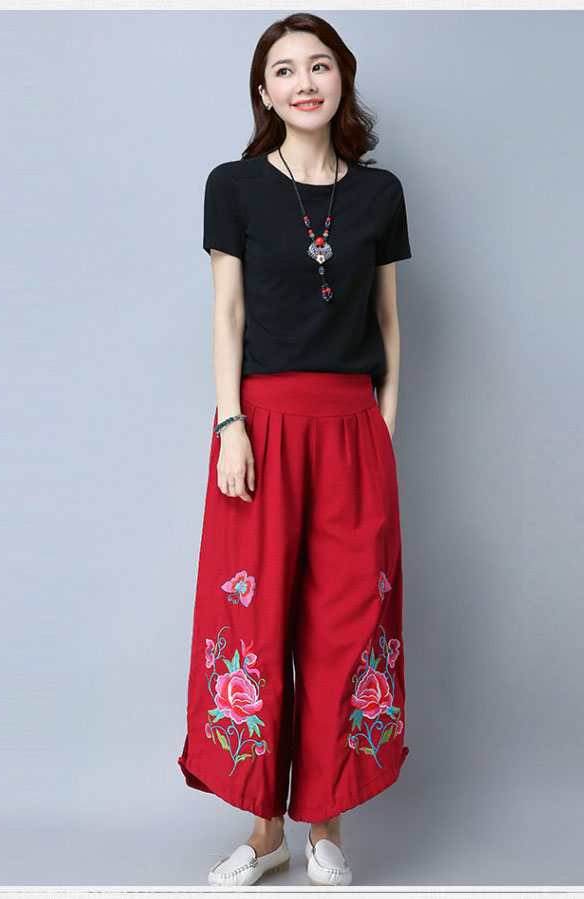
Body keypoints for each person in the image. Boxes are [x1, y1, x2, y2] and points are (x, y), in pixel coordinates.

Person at [177, 12, 412, 887]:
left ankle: (326, 829)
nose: (303, 81)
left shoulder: (380, 194)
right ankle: (264, 829)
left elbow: (389, 324)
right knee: (255, 620)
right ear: (264, 91)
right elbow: (228, 314)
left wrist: (382, 430)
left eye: (319, 65)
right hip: (262, 426)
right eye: (284, 69)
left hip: (351, 428)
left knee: (346, 624)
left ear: (341, 77)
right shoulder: (234, 186)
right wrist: (229, 423)